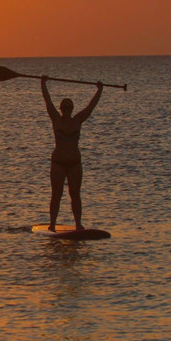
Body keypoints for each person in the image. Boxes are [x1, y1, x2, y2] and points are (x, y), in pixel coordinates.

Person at [42, 76, 102, 231]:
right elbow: (47, 101)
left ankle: (78, 225)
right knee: (56, 194)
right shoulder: (56, 119)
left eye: (70, 107)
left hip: (74, 163)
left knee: (75, 194)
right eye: (65, 107)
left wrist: (99, 90)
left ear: (72, 109)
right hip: (58, 163)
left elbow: (91, 106)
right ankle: (52, 224)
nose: (67, 110)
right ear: (61, 109)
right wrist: (43, 84)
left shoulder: (78, 120)